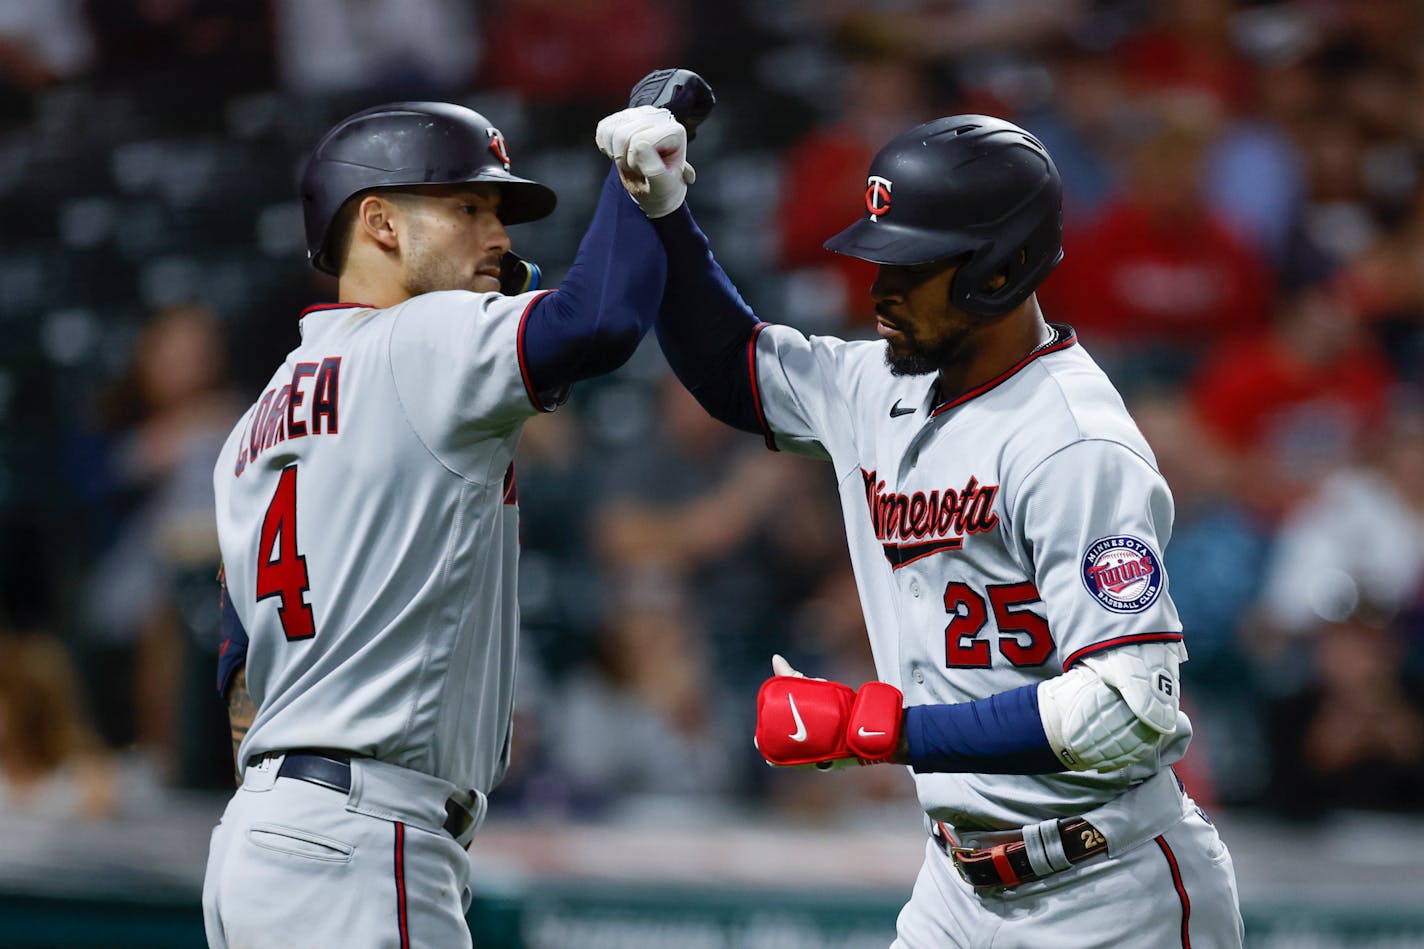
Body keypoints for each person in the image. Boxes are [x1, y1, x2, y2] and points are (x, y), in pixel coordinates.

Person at [598, 94, 1244, 946]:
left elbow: (1131, 711)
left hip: (1107, 892)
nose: (881, 289)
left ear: (1002, 271)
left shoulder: (1072, 442)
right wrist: (666, 209)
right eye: (879, 259)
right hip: (955, 887)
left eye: (912, 266)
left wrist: (885, 730)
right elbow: (731, 367)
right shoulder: (882, 382)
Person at [203, 91, 694, 948]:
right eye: (468, 207)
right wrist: (638, 174)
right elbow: (602, 320)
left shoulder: (253, 426)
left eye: (498, 212)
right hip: (365, 837)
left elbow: (241, 675)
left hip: (263, 838)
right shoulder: (422, 340)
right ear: (382, 223)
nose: (499, 235)